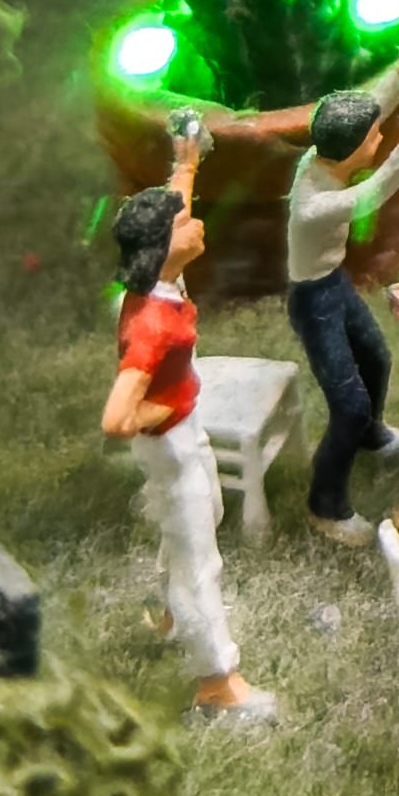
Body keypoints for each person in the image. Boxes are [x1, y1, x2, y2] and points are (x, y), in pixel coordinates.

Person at [99, 123, 272, 726]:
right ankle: (217, 684)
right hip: (170, 441)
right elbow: (117, 418)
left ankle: (174, 617)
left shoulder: (159, 281)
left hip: (181, 432)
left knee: (202, 516)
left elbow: (178, 209)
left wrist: (187, 162)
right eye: (183, 226)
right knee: (201, 564)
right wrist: (162, 412)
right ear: (159, 248)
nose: (196, 226)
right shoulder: (153, 326)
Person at [279, 27, 399, 545]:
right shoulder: (316, 204)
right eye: (375, 137)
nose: (381, 135)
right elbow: (371, 196)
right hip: (314, 301)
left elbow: (370, 110)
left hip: (332, 282)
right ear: (352, 151)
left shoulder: (327, 152)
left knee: (375, 357)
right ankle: (325, 505)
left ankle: (373, 436)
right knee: (346, 407)